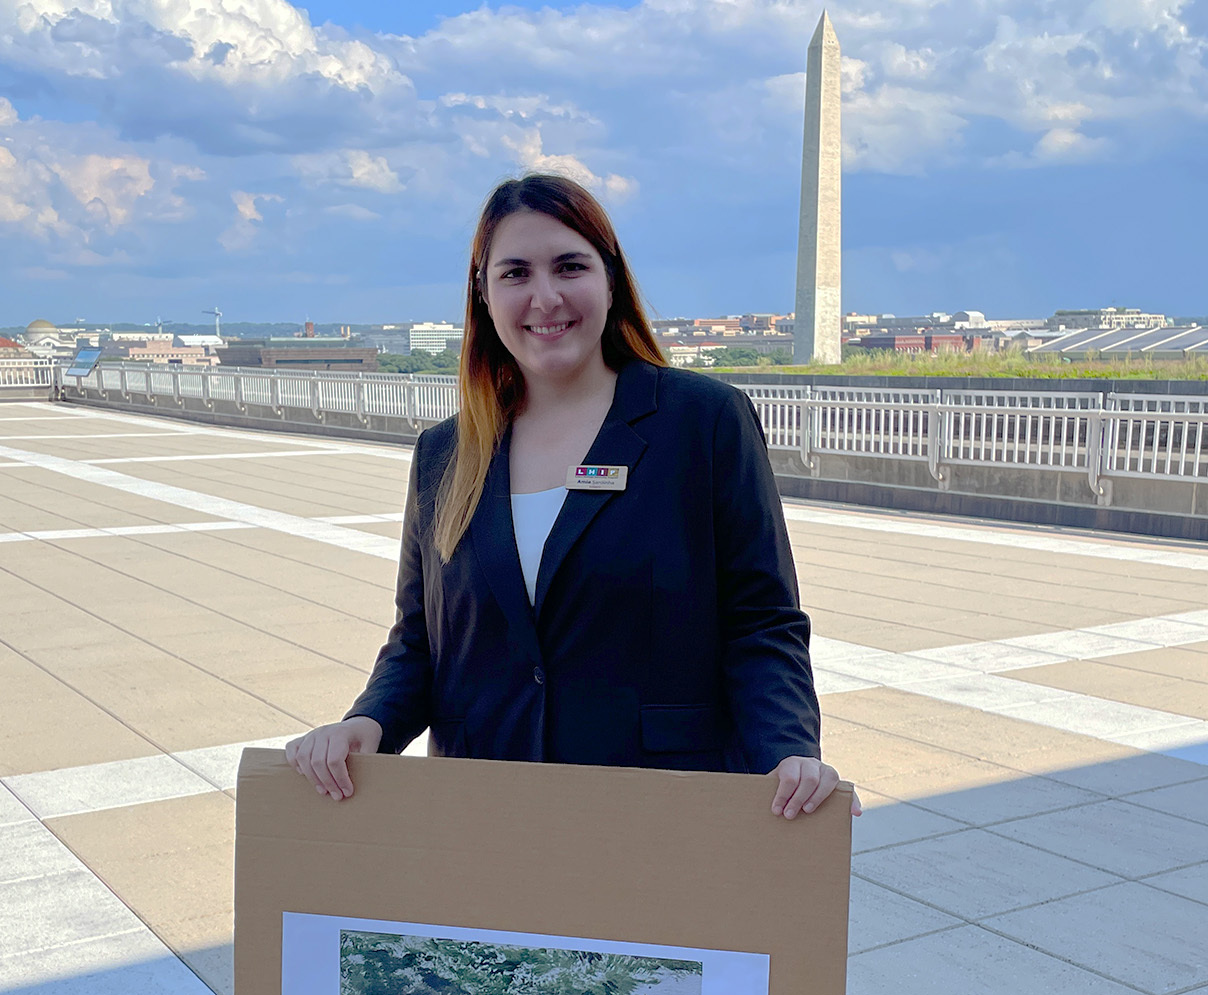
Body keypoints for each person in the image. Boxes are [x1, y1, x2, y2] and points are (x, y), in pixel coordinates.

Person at [286, 173, 852, 819]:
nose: (545, 297)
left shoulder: (702, 422)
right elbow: (422, 640)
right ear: (483, 293)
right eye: (516, 273)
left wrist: (787, 750)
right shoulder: (445, 454)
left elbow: (760, 621)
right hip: (487, 807)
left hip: (660, 807)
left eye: (570, 266)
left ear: (611, 279)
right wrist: (368, 723)